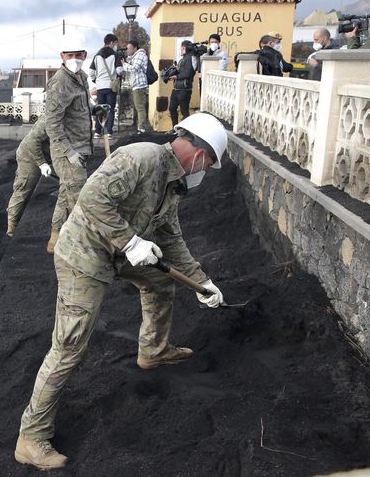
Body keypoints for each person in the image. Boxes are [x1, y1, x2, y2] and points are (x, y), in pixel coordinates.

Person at [14, 113, 229, 470]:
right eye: (209, 161)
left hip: (116, 253)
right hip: (84, 255)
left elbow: (172, 241)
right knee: (70, 345)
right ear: (198, 152)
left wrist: (201, 281)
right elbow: (91, 199)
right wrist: (130, 242)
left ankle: (154, 350)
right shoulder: (142, 158)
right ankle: (31, 436)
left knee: (161, 281)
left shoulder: (170, 186)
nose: (205, 169)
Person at [43, 34, 93, 254]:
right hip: (67, 151)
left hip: (81, 146)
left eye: (78, 55)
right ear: (62, 56)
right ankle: (82, 247)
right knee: (79, 199)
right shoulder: (60, 82)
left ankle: (55, 239)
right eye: (69, 55)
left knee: (66, 194)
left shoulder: (81, 76)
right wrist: (69, 152)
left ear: (85, 55)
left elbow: (78, 108)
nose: (74, 58)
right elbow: (52, 125)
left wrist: (95, 110)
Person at [5, 115, 56, 236]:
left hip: (51, 156)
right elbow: (32, 142)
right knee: (24, 188)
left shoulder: (71, 114)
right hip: (30, 155)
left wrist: (94, 111)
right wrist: (41, 163)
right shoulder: (49, 118)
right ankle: (11, 226)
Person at [88, 33, 122, 138]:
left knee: (100, 109)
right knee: (110, 109)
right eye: (115, 43)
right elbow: (119, 70)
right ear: (111, 42)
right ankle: (108, 132)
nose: (116, 45)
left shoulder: (97, 55)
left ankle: (98, 132)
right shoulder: (115, 55)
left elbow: (91, 71)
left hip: (100, 86)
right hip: (111, 86)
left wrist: (95, 80)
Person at [166, 40, 198, 128]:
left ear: (186, 48)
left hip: (185, 89)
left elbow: (189, 73)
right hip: (176, 88)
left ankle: (186, 130)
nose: (182, 49)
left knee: (184, 111)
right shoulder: (183, 59)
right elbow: (181, 71)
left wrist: (176, 77)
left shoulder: (190, 58)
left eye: (183, 47)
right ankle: (175, 127)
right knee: (172, 108)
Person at [123, 40, 152, 133]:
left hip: (139, 84)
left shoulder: (140, 55)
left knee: (140, 107)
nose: (128, 50)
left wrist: (124, 64)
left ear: (135, 48)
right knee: (138, 106)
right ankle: (139, 126)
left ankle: (141, 128)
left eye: (129, 48)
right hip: (136, 84)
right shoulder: (134, 56)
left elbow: (134, 68)